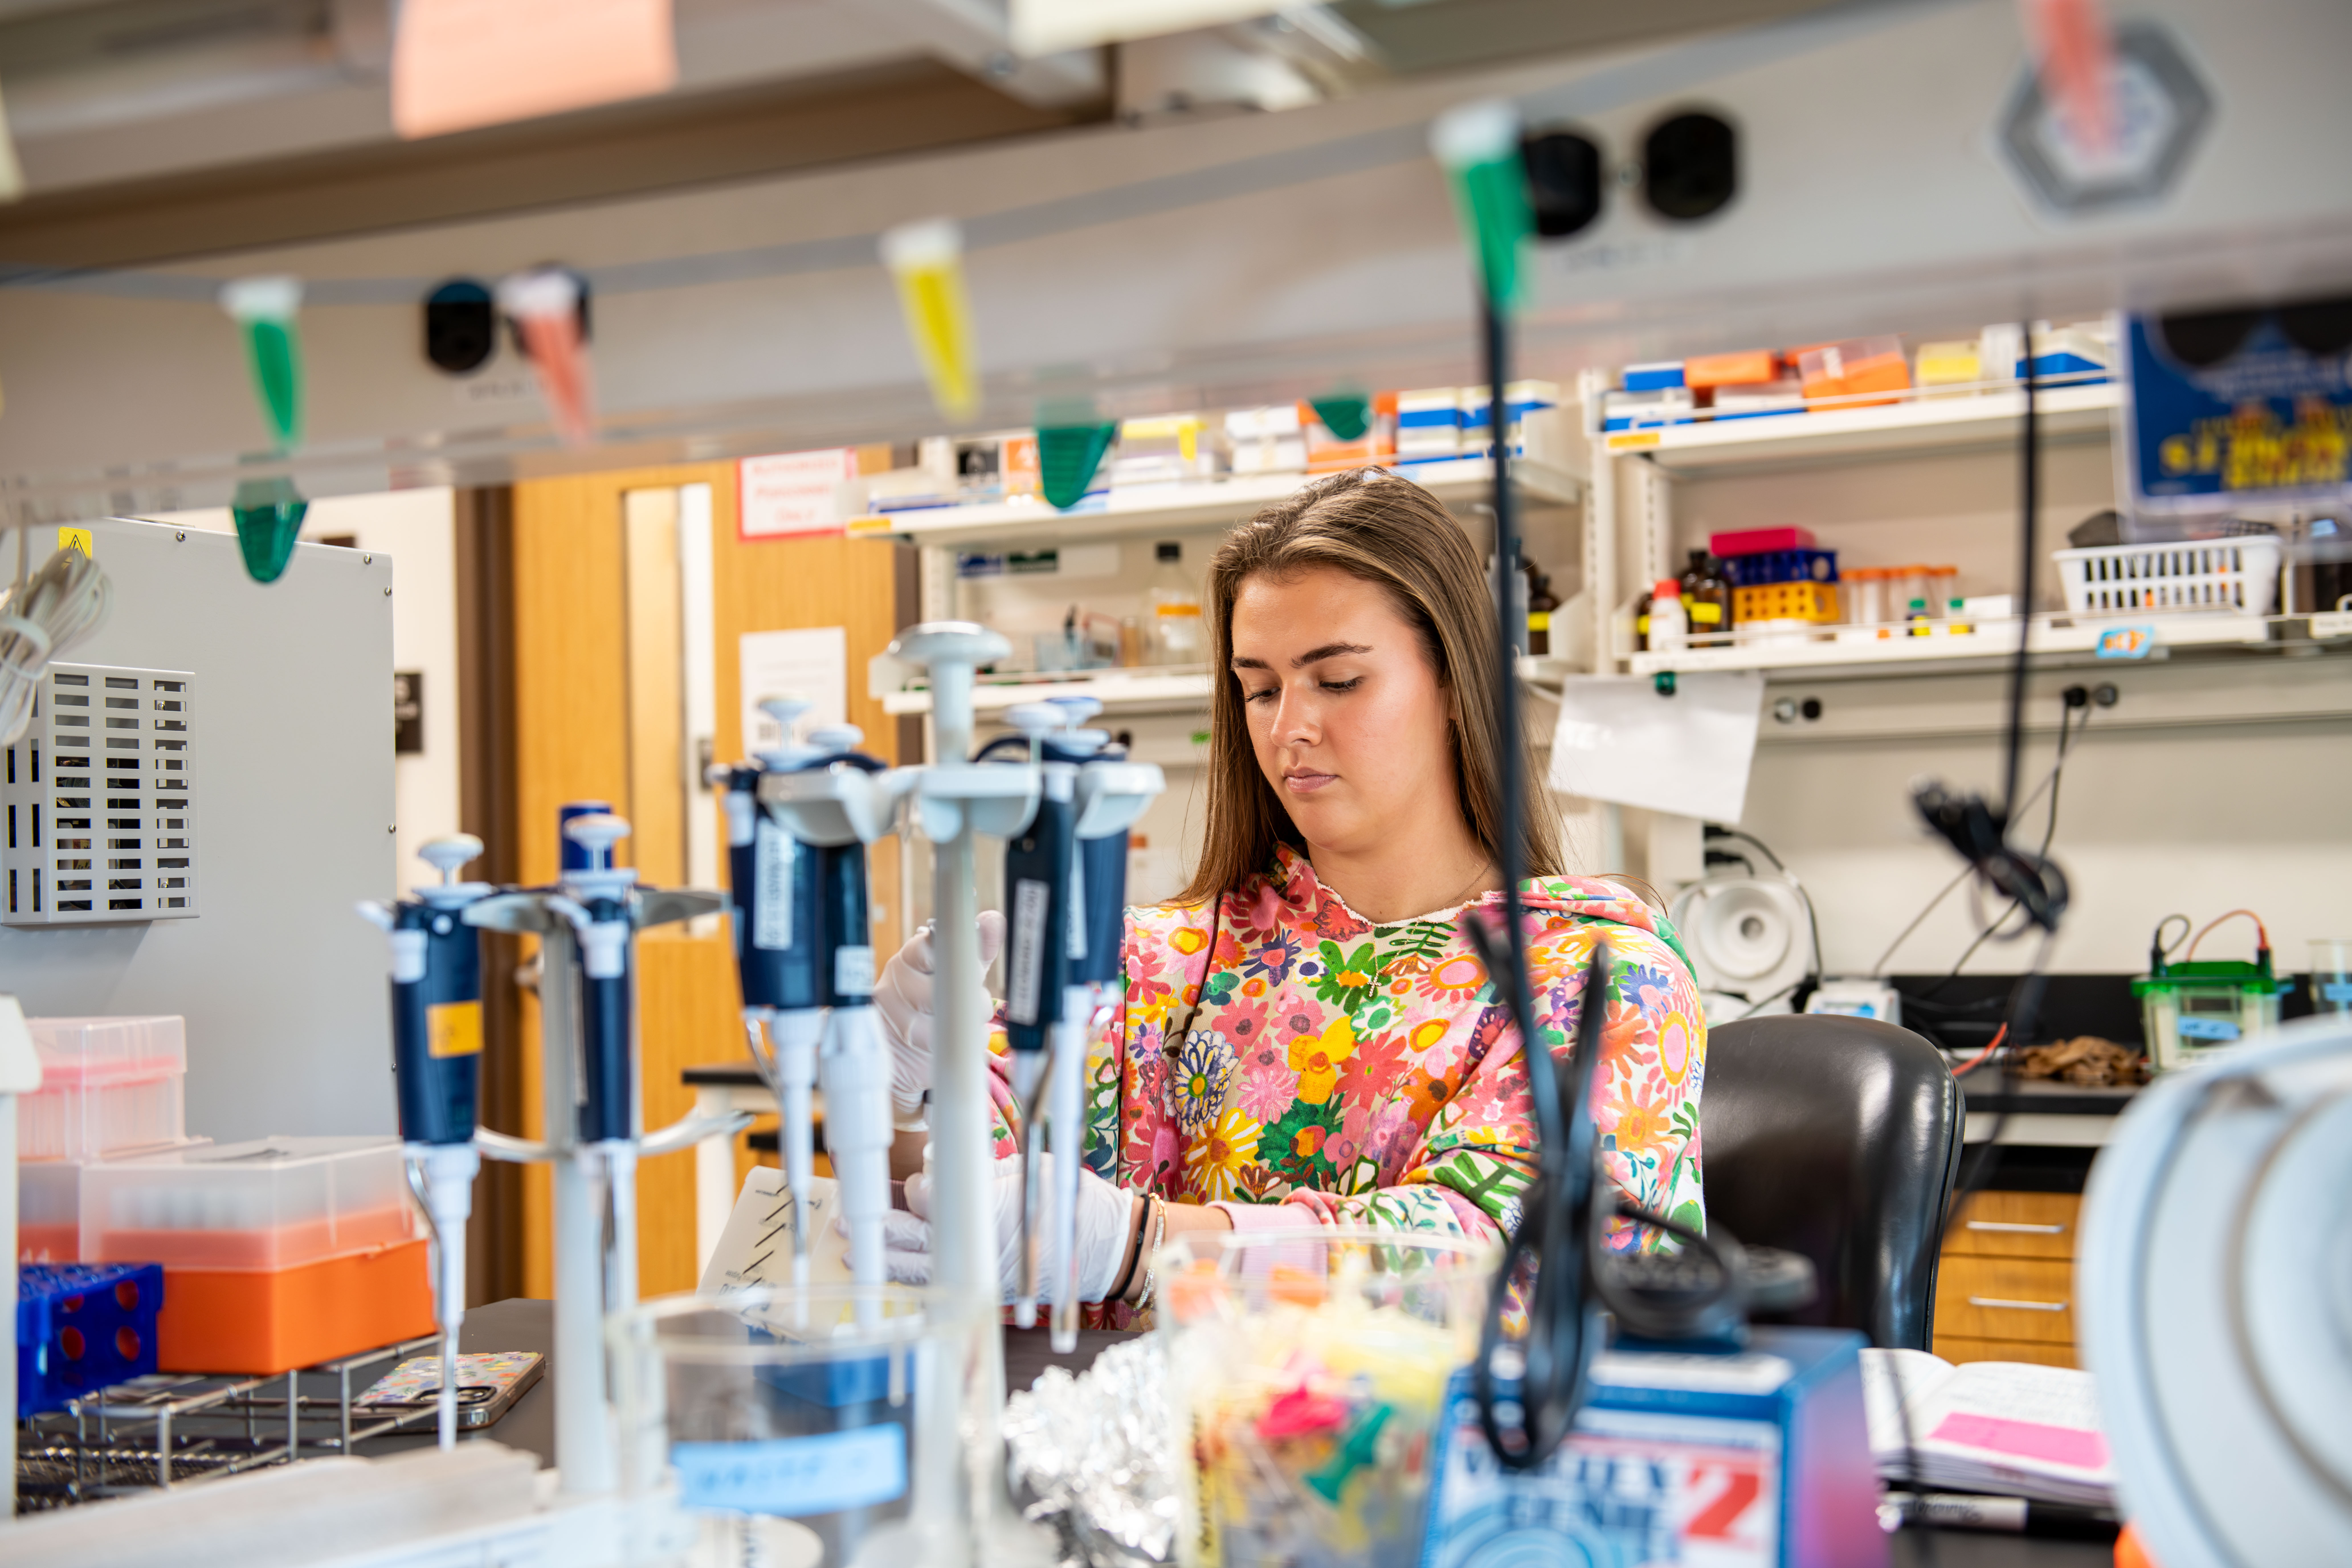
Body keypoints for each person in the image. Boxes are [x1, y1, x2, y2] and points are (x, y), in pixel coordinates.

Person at [872, 468, 1708, 1323]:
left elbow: (1500, 1256)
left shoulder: (1598, 978)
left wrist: (1139, 1246)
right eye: (1262, 688)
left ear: (1459, 685)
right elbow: (962, 1198)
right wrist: (904, 1094)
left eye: (1338, 680)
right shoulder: (1159, 964)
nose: (1287, 729)